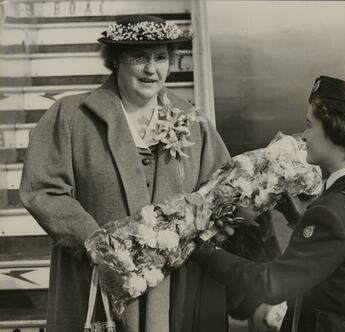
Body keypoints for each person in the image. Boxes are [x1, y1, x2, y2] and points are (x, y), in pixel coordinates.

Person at [20, 15, 268, 332]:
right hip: (101, 281)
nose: (152, 69)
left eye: (161, 57)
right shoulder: (71, 116)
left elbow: (221, 190)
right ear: (116, 61)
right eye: (140, 57)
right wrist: (97, 244)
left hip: (175, 286)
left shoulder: (192, 120)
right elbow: (43, 190)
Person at [194, 75, 345, 332]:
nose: (303, 135)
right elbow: (344, 248)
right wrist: (296, 218)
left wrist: (206, 252)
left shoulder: (332, 210)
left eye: (310, 125)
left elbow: (272, 285)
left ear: (335, 132)